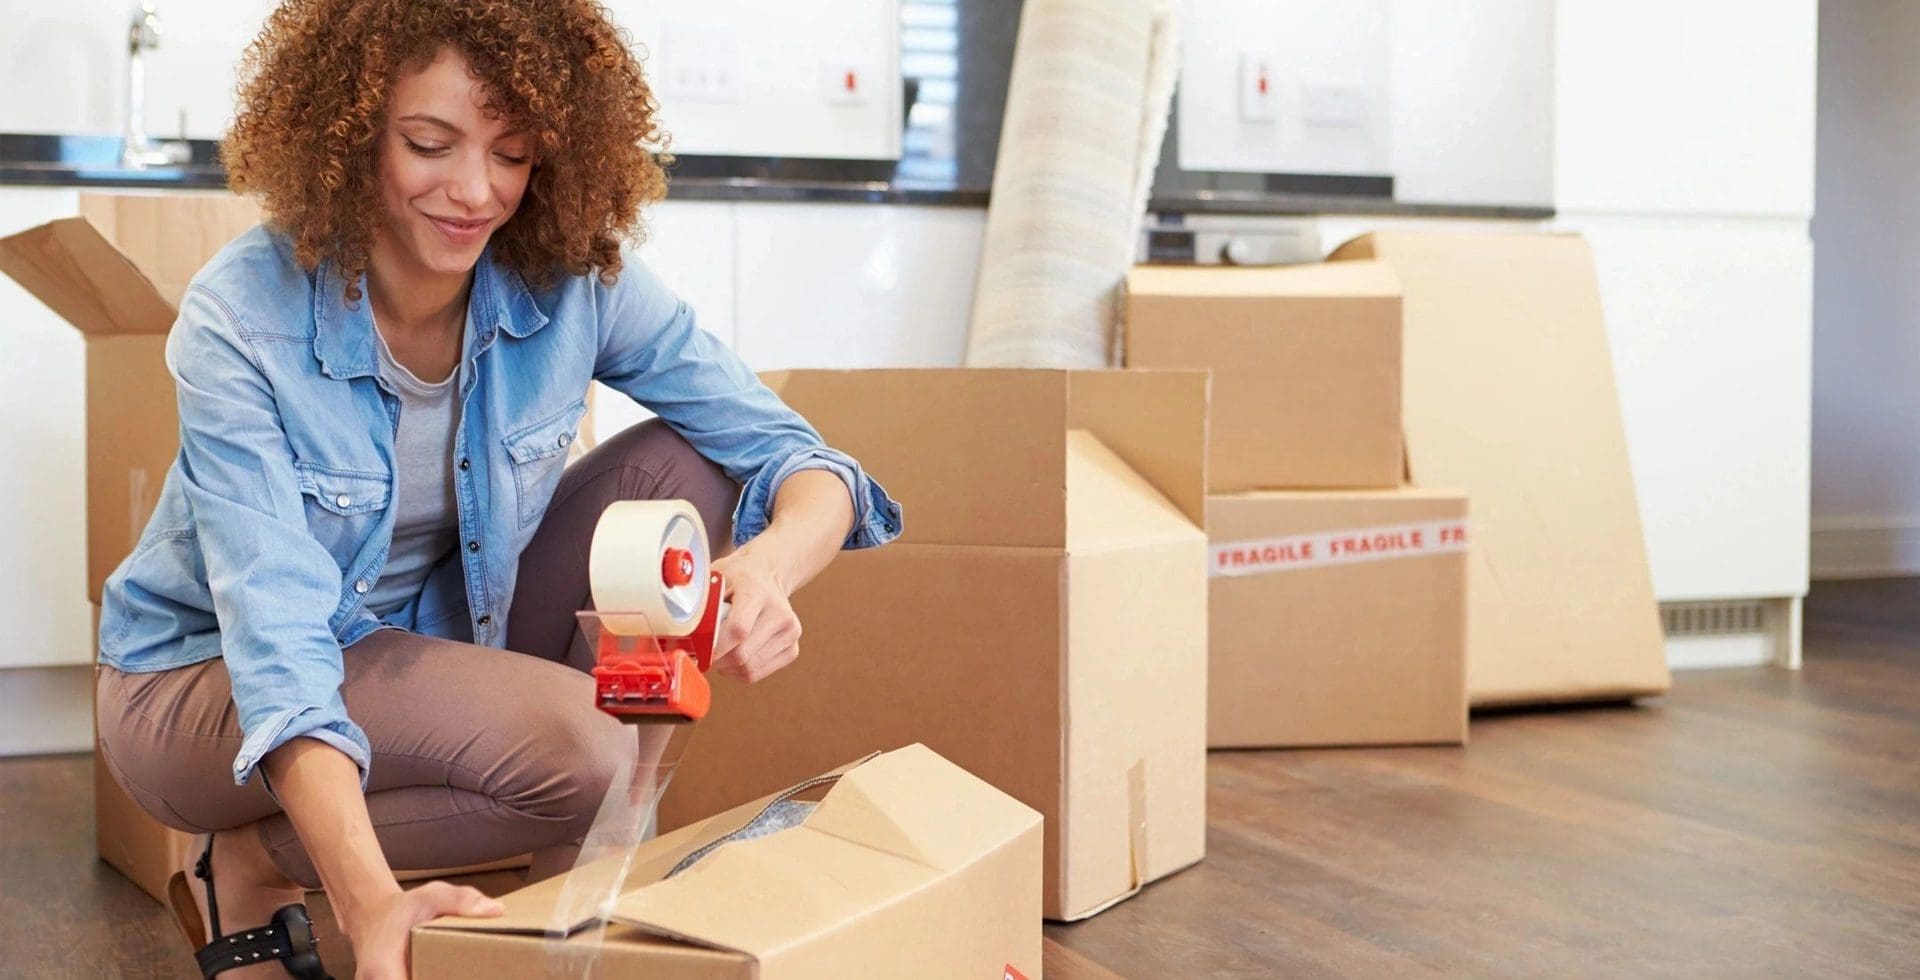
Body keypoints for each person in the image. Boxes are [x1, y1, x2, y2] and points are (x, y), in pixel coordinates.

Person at [91, 1, 902, 976]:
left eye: (512, 153)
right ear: (345, 137)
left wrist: (770, 565)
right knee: (583, 746)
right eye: (431, 143)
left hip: (427, 639)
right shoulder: (245, 313)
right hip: (197, 682)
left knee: (683, 465)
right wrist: (370, 899)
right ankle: (256, 858)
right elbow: (278, 638)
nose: (475, 191)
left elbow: (805, 460)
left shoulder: (573, 279)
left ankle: (584, 888)